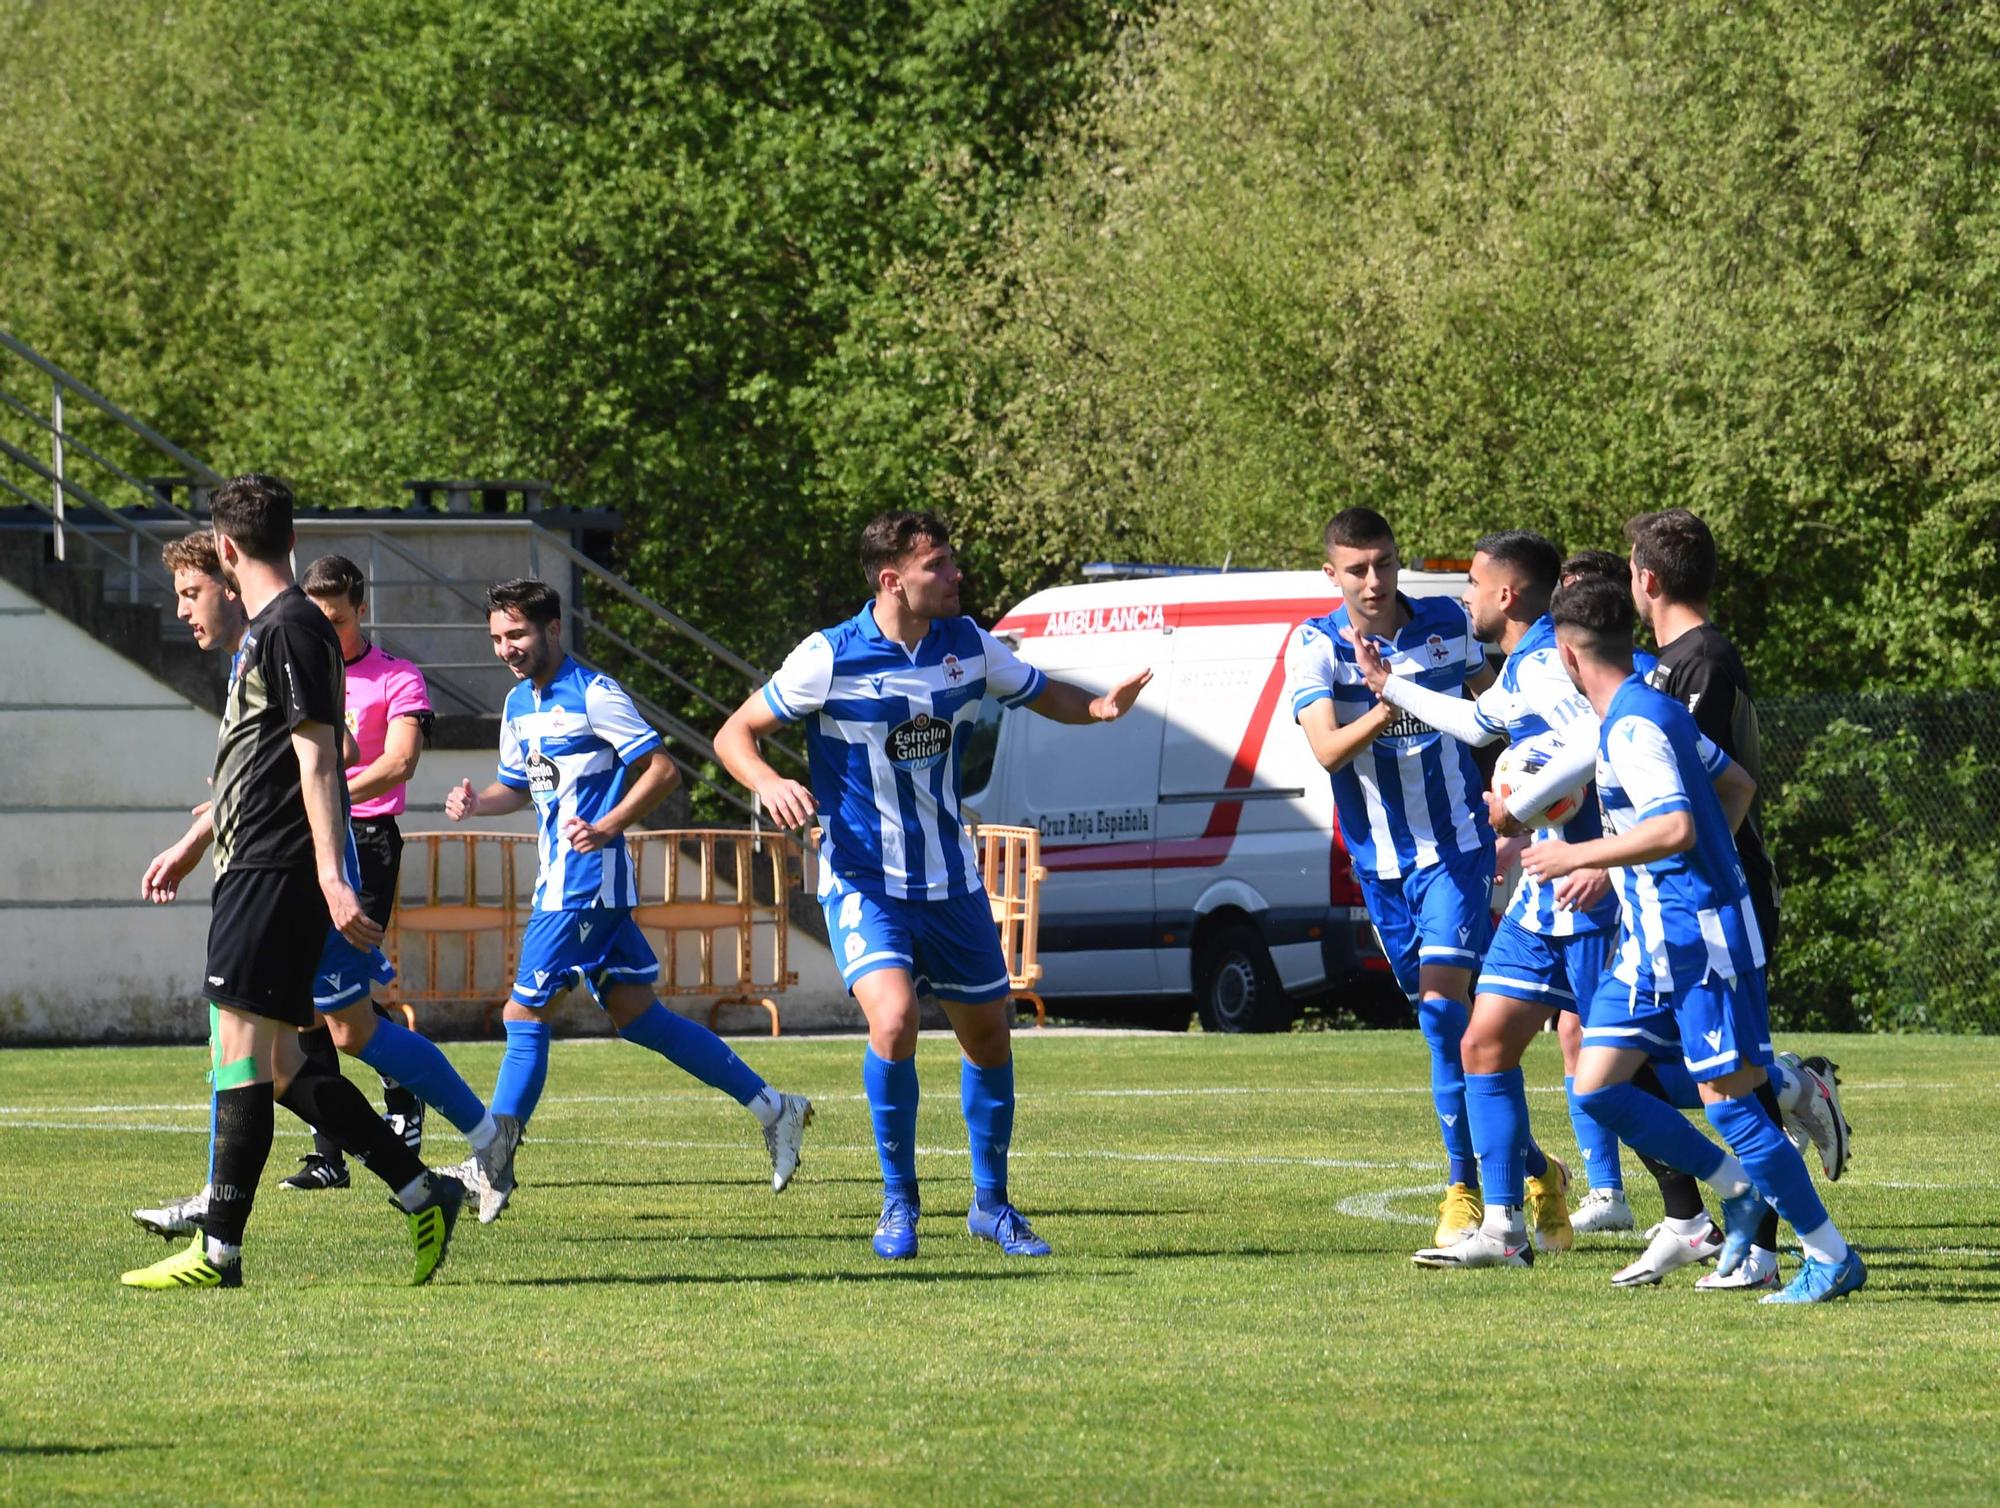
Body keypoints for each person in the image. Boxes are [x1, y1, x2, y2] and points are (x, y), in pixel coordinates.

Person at [713, 511, 1150, 1261]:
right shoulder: (828, 658)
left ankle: (992, 1205)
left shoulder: (968, 644)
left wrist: (1102, 707)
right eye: (938, 566)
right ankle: (898, 1203)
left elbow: (1043, 692)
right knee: (894, 1020)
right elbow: (733, 734)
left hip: (951, 880)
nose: (954, 577)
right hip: (864, 880)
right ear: (894, 580)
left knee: (988, 1037)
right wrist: (768, 777)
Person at [119, 476, 467, 1290]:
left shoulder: (291, 627)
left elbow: (319, 759)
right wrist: (197, 837)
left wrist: (331, 877)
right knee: (279, 1068)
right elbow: (267, 760)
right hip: (259, 864)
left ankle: (220, 1252)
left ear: (229, 549)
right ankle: (424, 1190)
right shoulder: (282, 629)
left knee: (239, 1056)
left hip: (275, 871)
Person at [1522, 575, 1865, 1304]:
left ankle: (1830, 1255)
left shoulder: (1635, 727)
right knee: (1598, 1087)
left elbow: (1676, 825)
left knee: (1730, 1104)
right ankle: (1737, 1183)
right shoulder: (1656, 710)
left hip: (1699, 944)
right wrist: (1712, 859)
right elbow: (1736, 785)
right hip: (1653, 947)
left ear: (1566, 655)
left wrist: (1577, 855)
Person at [443, 578, 812, 1207]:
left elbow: (662, 769)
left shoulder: (595, 693)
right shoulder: (517, 705)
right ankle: (776, 1108)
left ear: (553, 630)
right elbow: (519, 787)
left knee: (521, 1013)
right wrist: (479, 802)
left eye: (518, 635)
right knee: (638, 1016)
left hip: (583, 887)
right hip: (567, 884)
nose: (507, 648)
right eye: (498, 638)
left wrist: (609, 824)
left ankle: (493, 1159)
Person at [1346, 531, 1599, 1266]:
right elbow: (1476, 721)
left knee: (1634, 1074)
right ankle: (1504, 1224)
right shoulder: (1524, 664)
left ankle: (1762, 1118)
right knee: (1479, 1044)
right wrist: (1390, 686)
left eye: (1475, 584)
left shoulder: (1549, 661)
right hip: (1544, 894)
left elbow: (1593, 738)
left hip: (1591, 892)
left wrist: (1525, 804)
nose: (1466, 597)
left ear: (1507, 595)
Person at [1287, 507, 1520, 1251]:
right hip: (1381, 867)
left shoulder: (1447, 624)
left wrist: (1516, 786)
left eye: (1384, 563)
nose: (1374, 579)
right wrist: (1390, 703)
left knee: (1446, 1019)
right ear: (1332, 574)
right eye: (1356, 568)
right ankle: (1532, 1162)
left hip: (1456, 849)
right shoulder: (1315, 645)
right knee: (1447, 1025)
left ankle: (1466, 1190)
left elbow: (1496, 708)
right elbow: (1326, 751)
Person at [275, 553, 437, 1189]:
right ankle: (329, 1153)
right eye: (314, 618)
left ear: (361, 610)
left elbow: (399, 764)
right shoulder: (292, 671)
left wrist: (324, 788)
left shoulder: (397, 676)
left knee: (342, 1007)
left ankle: (406, 1091)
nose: (324, 631)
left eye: (336, 620)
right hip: (303, 840)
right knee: (305, 1001)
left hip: (365, 841)